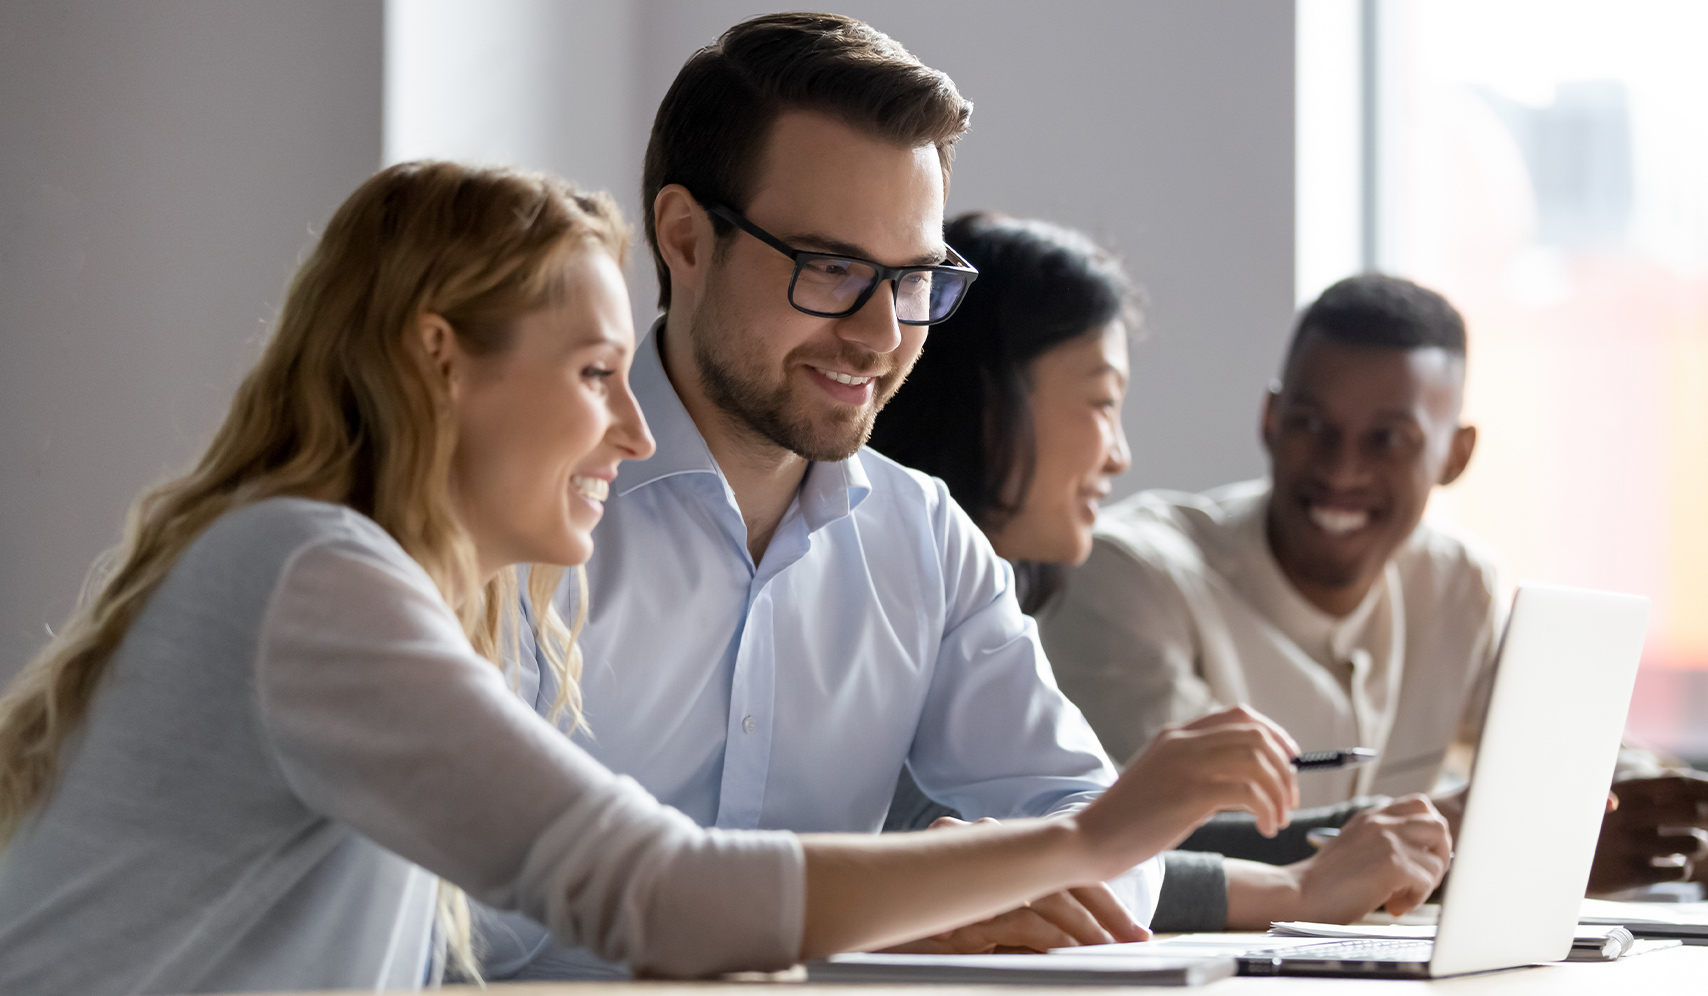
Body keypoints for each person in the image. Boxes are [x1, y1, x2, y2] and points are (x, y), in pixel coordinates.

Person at [0, 160, 1307, 995]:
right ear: (438, 362)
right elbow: (659, 890)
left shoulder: (359, 581)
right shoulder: (309, 571)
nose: (633, 434)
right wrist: (1089, 837)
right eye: (591, 375)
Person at [480, 13, 1210, 977]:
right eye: (830, 269)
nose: (879, 334)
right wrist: (871, 907)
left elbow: (1094, 823)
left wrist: (980, 891)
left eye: (912, 279)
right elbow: (464, 917)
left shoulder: (924, 537)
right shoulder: (514, 516)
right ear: (686, 238)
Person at [1036, 271, 1708, 897]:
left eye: (1388, 440)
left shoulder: (1455, 583)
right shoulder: (1129, 576)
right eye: (1312, 426)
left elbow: (1570, 747)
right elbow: (1168, 843)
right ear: (1271, 422)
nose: (1341, 469)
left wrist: (1671, 815)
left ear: (1455, 455)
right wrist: (1497, 849)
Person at [870, 213, 1452, 933]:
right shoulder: (879, 583)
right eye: (1104, 402)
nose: (1120, 455)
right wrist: (1298, 888)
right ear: (992, 403)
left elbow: (1070, 841)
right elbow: (1015, 853)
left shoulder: (982, 595)